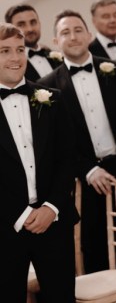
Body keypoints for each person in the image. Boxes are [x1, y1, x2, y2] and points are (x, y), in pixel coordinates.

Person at [39, 9, 116, 274]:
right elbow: (56, 143)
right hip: (84, 177)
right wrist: (87, 169)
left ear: (88, 35)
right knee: (94, 246)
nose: (73, 37)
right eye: (65, 32)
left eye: (77, 30)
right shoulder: (46, 87)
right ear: (55, 41)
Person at [0, 23, 78, 302]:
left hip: (53, 222)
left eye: (20, 50)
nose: (15, 57)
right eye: (4, 51)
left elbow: (67, 157)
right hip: (5, 226)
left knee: (61, 296)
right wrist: (20, 215)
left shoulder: (51, 98)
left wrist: (52, 206)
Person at [5, 4, 62, 80]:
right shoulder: (7, 64)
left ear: (39, 24)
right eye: (21, 25)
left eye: (33, 22)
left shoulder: (56, 56)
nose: (30, 29)